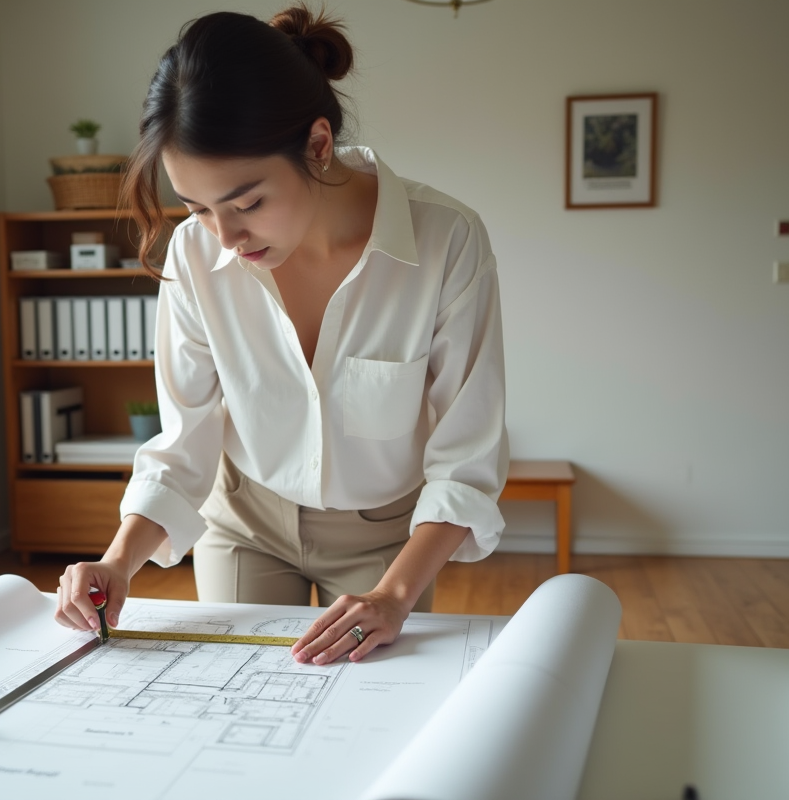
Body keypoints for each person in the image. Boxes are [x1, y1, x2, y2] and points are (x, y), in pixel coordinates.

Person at [55, 4, 508, 666]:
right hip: (245, 522)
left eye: (245, 204)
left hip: (386, 536)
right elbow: (184, 441)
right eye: (198, 208)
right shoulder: (193, 255)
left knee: (365, 713)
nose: (225, 238)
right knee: (237, 703)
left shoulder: (447, 242)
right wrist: (118, 559)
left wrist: (393, 594)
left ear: (318, 145)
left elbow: (465, 459)